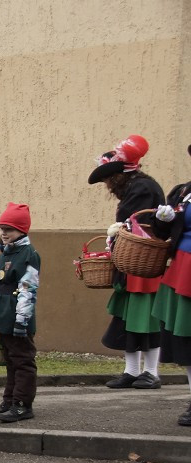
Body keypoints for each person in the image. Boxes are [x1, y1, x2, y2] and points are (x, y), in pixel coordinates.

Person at [89, 135, 167, 389]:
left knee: (146, 320)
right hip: (130, 263)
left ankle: (152, 372)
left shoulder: (142, 188)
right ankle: (132, 371)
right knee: (126, 319)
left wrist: (117, 235)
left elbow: (138, 226)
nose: (107, 185)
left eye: (108, 179)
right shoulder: (134, 187)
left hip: (144, 264)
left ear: (118, 175)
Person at [0, 203, 40, 422]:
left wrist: (22, 320)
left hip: (17, 318)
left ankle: (23, 404)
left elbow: (28, 288)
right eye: (2, 228)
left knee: (22, 360)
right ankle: (10, 400)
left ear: (22, 231)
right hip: (4, 317)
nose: (4, 233)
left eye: (10, 229)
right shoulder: (4, 254)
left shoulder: (28, 254)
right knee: (10, 360)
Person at [151, 144, 191, 425]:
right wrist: (163, 219)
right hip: (182, 269)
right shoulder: (183, 192)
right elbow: (166, 232)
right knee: (185, 339)